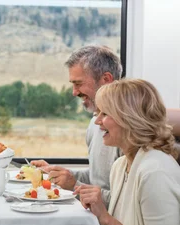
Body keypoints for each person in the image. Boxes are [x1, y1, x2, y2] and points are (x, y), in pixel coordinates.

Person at [74, 79, 180, 225]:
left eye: (104, 114)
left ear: (129, 119)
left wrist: (105, 218)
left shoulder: (155, 172)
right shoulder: (120, 166)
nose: (97, 121)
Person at [31, 45, 122, 207]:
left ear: (106, 80)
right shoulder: (95, 122)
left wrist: (74, 185)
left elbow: (123, 202)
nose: (74, 92)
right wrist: (62, 175)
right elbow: (97, 177)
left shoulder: (123, 130)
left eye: (78, 84)